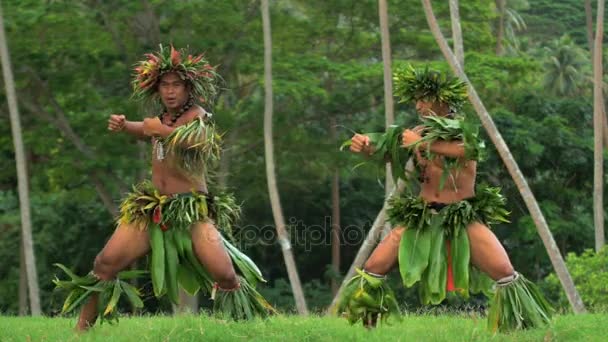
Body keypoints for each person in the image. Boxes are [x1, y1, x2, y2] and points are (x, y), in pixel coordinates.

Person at [54, 45, 274, 331]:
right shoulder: (161, 119)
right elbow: (144, 129)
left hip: (191, 210)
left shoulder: (198, 116)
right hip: (153, 208)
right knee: (105, 263)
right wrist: (124, 126)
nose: (170, 91)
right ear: (156, 89)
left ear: (188, 89)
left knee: (225, 275)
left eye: (177, 86)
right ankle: (80, 332)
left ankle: (247, 330)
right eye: (165, 85)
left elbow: (199, 142)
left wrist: (163, 132)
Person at [336, 65, 552, 332]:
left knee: (504, 271)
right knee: (373, 266)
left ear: (442, 100)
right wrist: (367, 148)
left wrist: (420, 143)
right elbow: (390, 154)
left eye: (423, 99)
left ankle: (528, 329)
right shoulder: (418, 131)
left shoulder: (463, 131)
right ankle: (363, 331)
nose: (417, 106)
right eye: (416, 100)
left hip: (460, 216)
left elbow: (467, 151)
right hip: (423, 216)